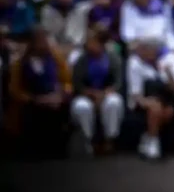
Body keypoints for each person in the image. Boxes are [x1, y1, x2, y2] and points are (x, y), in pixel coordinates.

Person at [9, 26, 72, 158]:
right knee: (31, 112)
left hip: (55, 98)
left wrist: (61, 95)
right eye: (39, 40)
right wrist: (35, 99)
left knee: (61, 110)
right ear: (31, 43)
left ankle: (57, 149)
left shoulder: (56, 58)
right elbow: (15, 90)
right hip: (32, 101)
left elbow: (67, 82)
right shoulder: (20, 63)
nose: (43, 43)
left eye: (45, 40)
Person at [127, 38, 174, 160]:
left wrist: (168, 72)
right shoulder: (134, 62)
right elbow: (135, 92)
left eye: (143, 49)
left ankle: (148, 136)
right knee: (155, 107)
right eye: (139, 50)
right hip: (144, 98)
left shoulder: (170, 58)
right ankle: (154, 143)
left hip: (168, 98)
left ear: (153, 50)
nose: (139, 52)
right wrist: (145, 102)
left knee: (167, 111)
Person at [70, 28, 125, 155]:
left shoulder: (113, 58)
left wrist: (104, 94)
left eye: (92, 42)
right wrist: (90, 94)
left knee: (114, 102)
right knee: (82, 106)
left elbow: (118, 82)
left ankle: (109, 140)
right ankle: (88, 140)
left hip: (107, 93)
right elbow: (76, 84)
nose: (89, 45)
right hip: (87, 94)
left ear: (101, 44)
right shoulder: (81, 60)